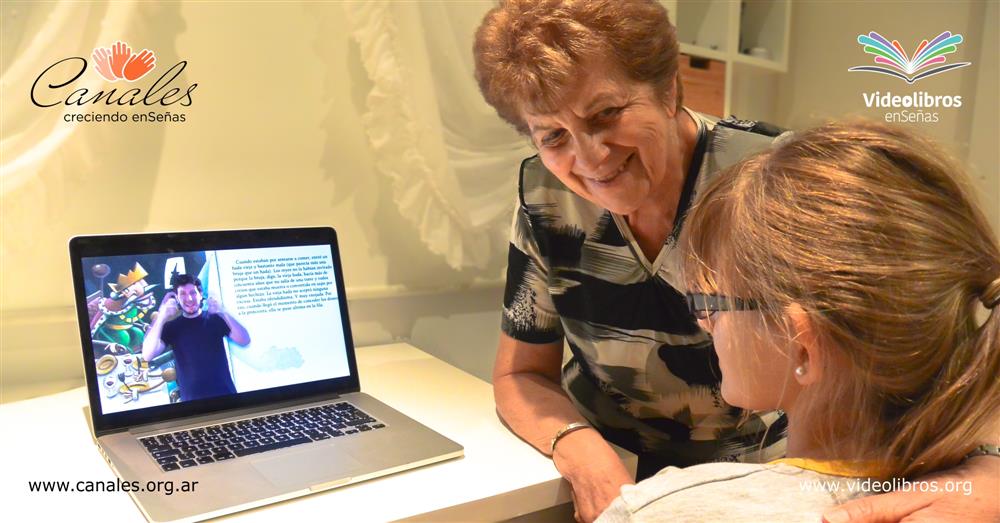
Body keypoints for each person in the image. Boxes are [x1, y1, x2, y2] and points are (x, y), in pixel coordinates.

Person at [472, 1, 997, 521]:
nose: (589, 158)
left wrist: (986, 468)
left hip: (774, 484)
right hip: (621, 481)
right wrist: (580, 449)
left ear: (669, 91)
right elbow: (521, 375)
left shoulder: (771, 179)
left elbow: (943, 311)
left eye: (607, 113)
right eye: (554, 136)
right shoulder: (545, 197)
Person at [596, 120, 999, 521]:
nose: (704, 322)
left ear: (802, 343)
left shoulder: (666, 511)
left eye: (713, 302)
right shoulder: (974, 497)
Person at [142, 274, 251, 402]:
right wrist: (161, 316)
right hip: (192, 404)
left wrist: (223, 311)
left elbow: (244, 340)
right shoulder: (172, 327)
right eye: (182, 294)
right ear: (176, 298)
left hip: (226, 397)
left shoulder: (214, 319)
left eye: (193, 292)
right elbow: (147, 355)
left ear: (200, 294)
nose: (189, 298)